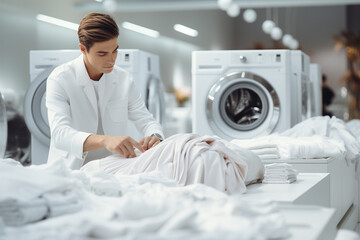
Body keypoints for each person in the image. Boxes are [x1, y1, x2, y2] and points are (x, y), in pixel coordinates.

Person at [46, 13, 164, 170]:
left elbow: (146, 120)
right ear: (83, 49)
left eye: (115, 51)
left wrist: (155, 136)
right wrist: (106, 140)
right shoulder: (60, 79)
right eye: (102, 54)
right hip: (70, 169)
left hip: (112, 168)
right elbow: (60, 135)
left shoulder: (124, 79)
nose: (112, 59)